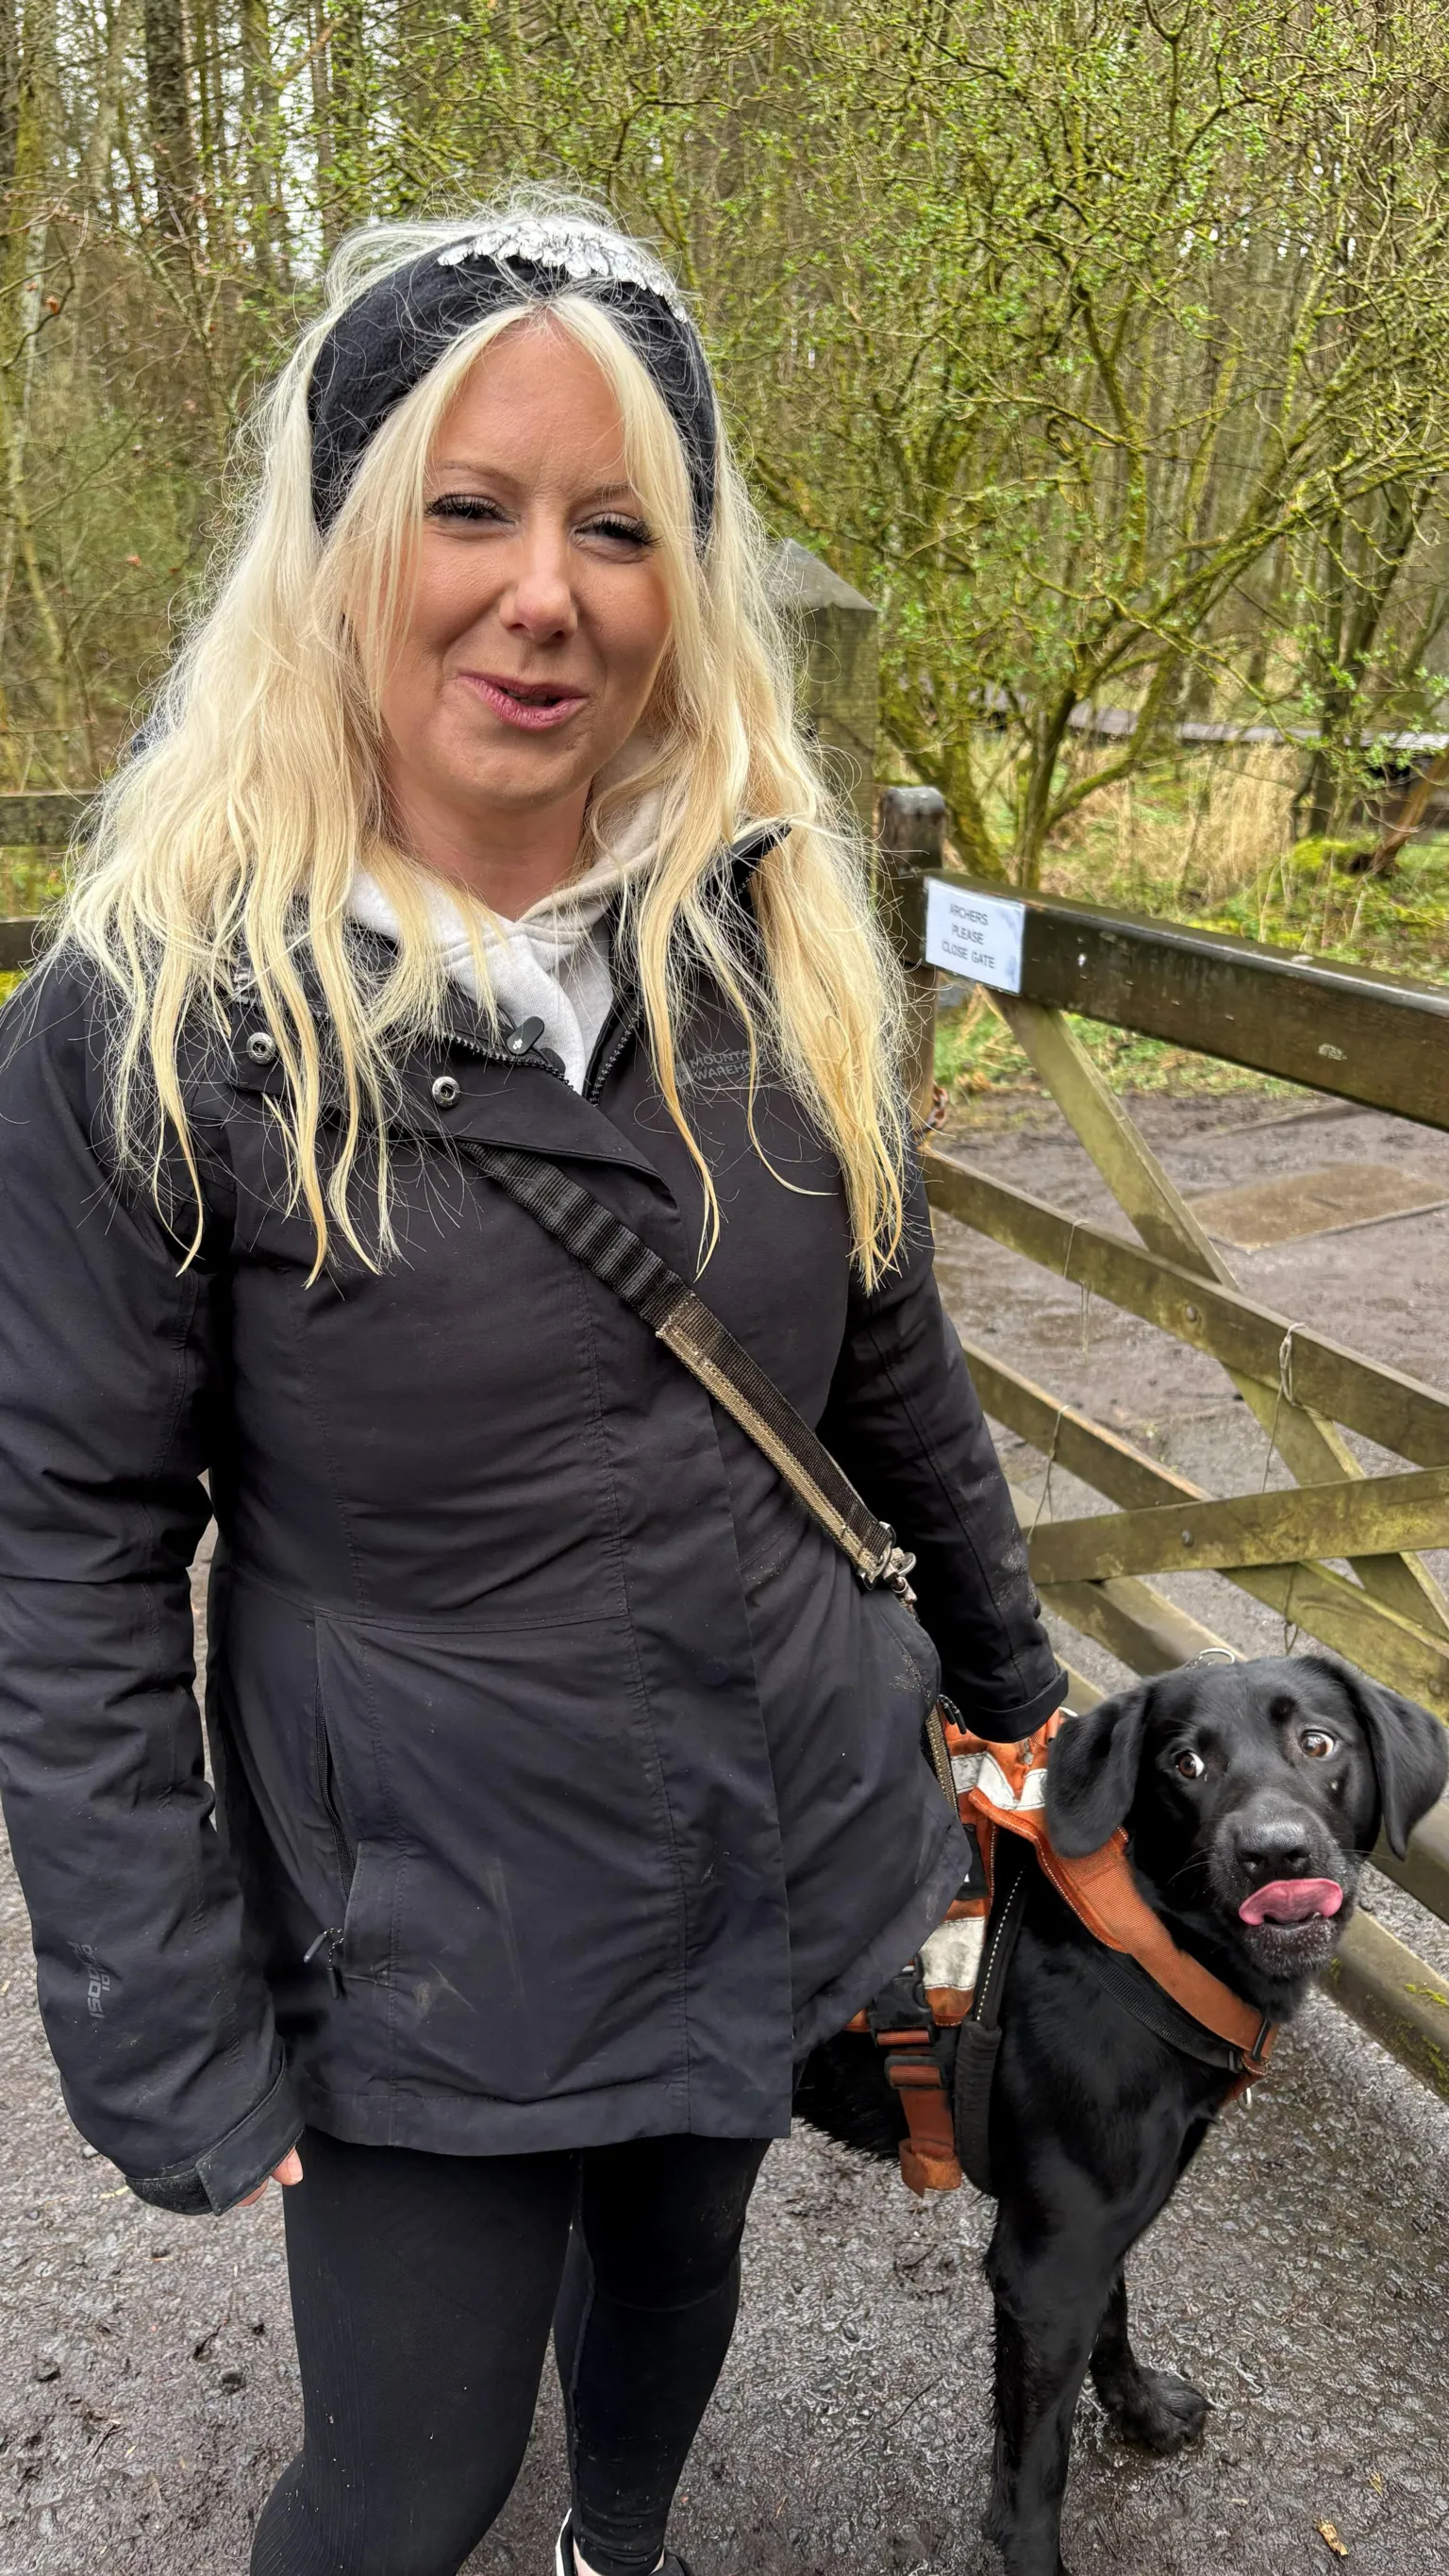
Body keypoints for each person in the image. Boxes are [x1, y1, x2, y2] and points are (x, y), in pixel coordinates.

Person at [0, 197, 1065, 2576]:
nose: (545, 593)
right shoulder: (164, 1022)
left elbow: (886, 1342)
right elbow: (65, 1551)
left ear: (688, 576)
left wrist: (1018, 1692)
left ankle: (623, 2552)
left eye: (617, 526)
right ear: (343, 548)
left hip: (759, 1809)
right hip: (429, 1909)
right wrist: (163, 2004)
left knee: (678, 2275)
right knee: (404, 2476)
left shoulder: (768, 923)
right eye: (467, 512)